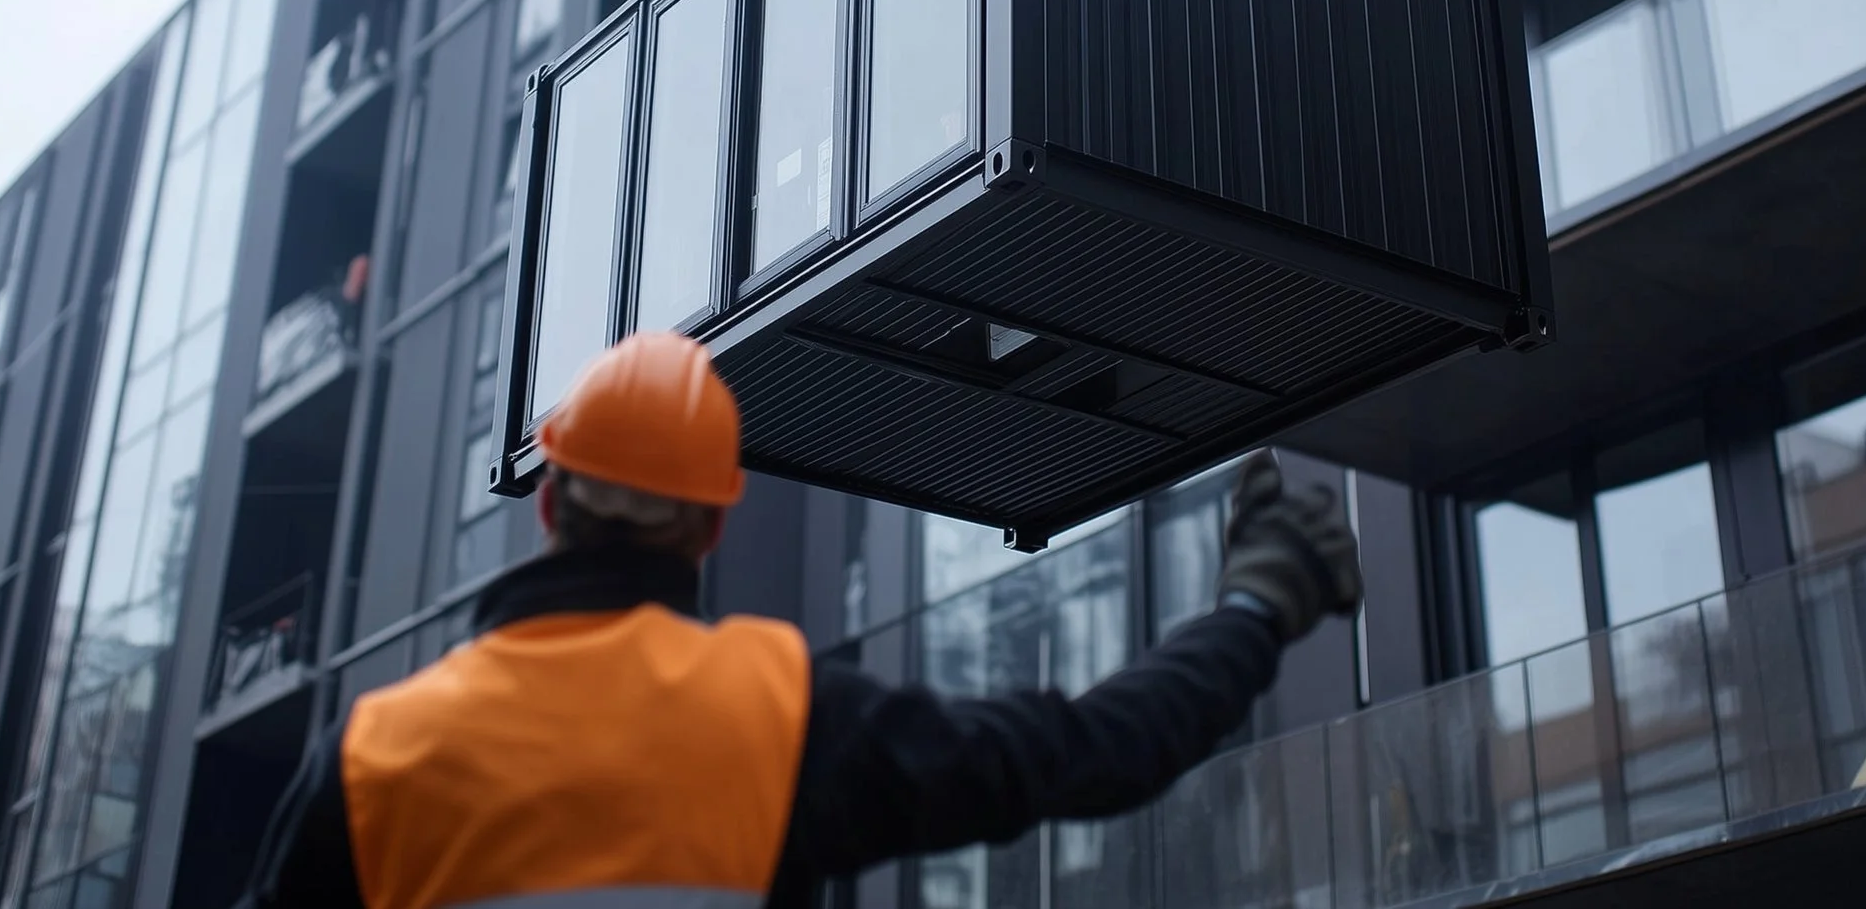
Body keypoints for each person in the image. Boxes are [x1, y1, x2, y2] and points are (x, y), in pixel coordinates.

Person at [246, 330, 1362, 909]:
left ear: (550, 501)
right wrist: (1257, 602)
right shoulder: (770, 714)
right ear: (707, 530)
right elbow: (1093, 753)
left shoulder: (375, 753)